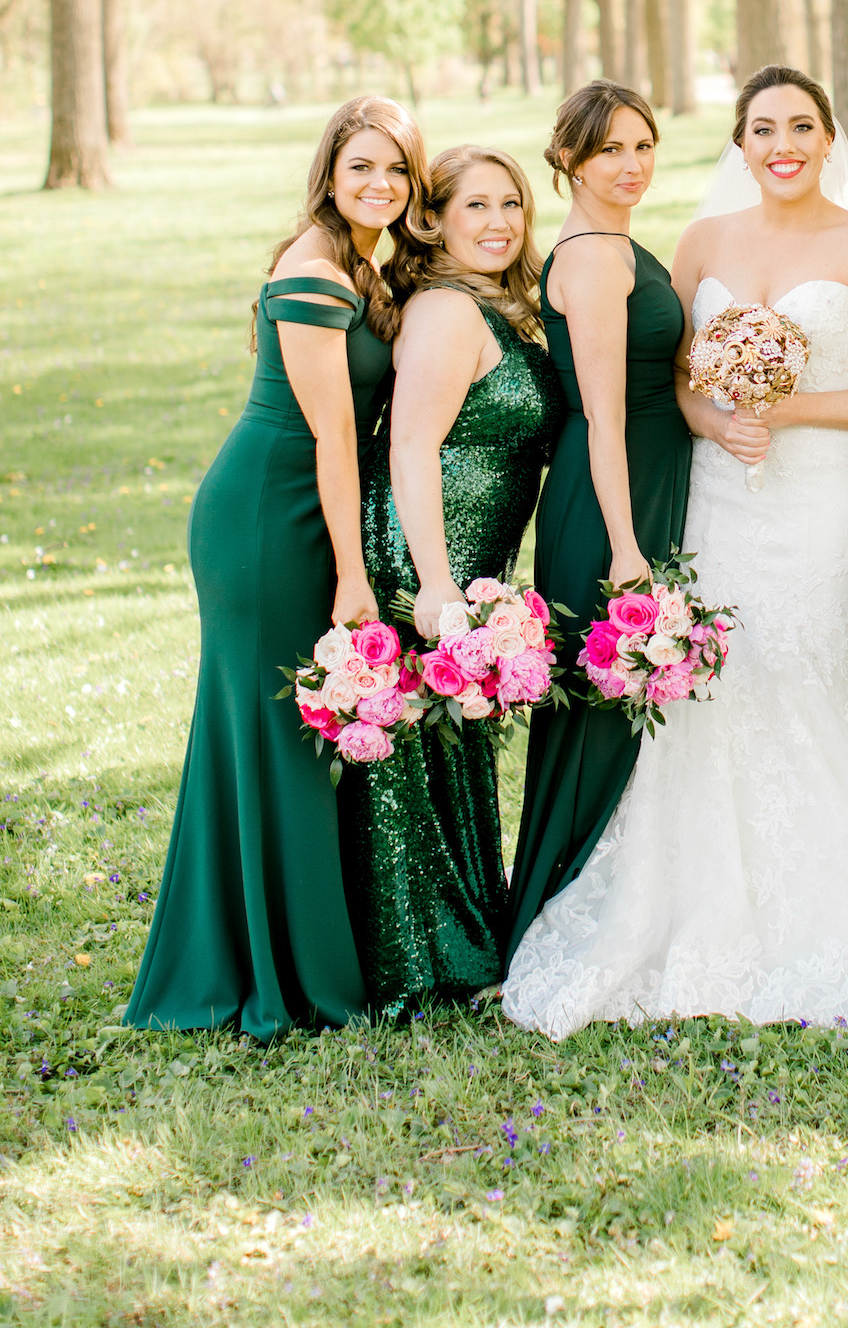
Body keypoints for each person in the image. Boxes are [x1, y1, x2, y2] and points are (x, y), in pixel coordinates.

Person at [501, 65, 848, 1037]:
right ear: (740, 145)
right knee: (723, 681)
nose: (782, 144)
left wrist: (789, 409)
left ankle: (840, 923)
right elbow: (665, 369)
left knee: (805, 670)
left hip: (821, 499)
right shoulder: (701, 241)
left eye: (801, 126)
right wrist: (713, 417)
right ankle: (701, 911)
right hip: (721, 497)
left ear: (829, 140)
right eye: (762, 128)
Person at [126, 97, 429, 1039]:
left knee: (279, 735)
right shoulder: (313, 272)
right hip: (269, 516)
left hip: (297, 505)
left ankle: (270, 954)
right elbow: (334, 439)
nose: (379, 185)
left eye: (396, 171)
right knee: (274, 737)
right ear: (330, 174)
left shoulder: (357, 263)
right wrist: (353, 575)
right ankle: (277, 975)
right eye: (361, 168)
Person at [339, 145, 563, 1019]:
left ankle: (463, 942)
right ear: (433, 221)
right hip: (420, 556)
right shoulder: (443, 310)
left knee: (451, 750)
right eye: (476, 207)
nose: (500, 222)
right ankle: (416, 963)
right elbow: (411, 446)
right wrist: (434, 583)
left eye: (511, 204)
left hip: (473, 565)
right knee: (407, 761)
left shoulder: (491, 306)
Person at [501, 81, 693, 969]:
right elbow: (606, 416)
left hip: (641, 476)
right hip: (609, 493)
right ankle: (557, 906)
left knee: (623, 703)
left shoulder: (618, 242)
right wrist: (624, 546)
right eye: (610, 150)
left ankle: (620, 890)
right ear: (568, 160)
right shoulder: (590, 259)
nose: (632, 165)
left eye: (643, 146)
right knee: (598, 705)